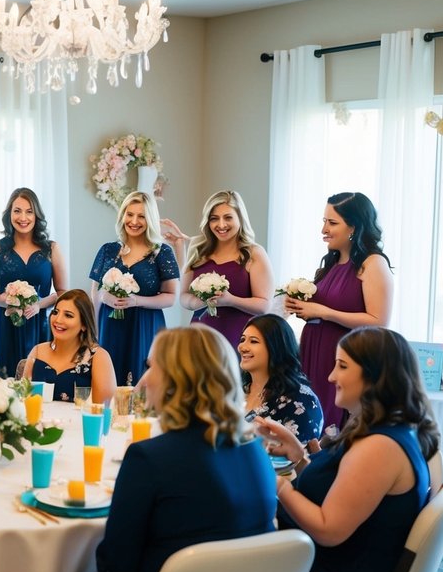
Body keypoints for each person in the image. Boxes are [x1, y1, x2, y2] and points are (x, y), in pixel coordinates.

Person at [51, 325, 276, 572]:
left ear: (175, 381)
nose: (143, 379)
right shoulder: (255, 452)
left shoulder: (150, 458)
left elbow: (115, 568)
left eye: (151, 367)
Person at [259, 327, 436, 572]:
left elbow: (329, 529)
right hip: (345, 566)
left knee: (224, 562)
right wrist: (298, 456)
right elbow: (342, 492)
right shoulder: (387, 428)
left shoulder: (379, 447)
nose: (330, 377)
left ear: (375, 376)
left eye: (342, 366)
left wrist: (275, 483)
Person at [285, 191, 393, 429]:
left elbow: (379, 321)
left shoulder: (372, 263)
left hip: (342, 357)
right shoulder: (332, 264)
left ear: (354, 227)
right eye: (324, 221)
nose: (324, 229)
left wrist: (323, 312)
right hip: (314, 353)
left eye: (332, 223)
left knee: (333, 426)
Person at [88, 191, 179, 387]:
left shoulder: (162, 252)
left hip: (145, 326)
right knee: (107, 383)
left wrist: (137, 301)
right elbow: (95, 293)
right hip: (109, 326)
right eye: (130, 214)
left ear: (150, 219)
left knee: (140, 387)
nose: (134, 221)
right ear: (122, 216)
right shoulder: (107, 250)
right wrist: (93, 334)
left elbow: (171, 297)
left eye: (142, 216)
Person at [166, 190, 274, 349]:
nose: (221, 225)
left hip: (239, 339)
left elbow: (264, 305)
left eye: (228, 217)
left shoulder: (254, 253)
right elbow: (183, 296)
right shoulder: (198, 250)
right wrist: (197, 302)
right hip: (200, 338)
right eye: (214, 219)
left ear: (240, 218)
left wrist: (230, 300)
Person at [0, 187, 68, 377]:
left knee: (36, 381)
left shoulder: (51, 249)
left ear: (36, 215)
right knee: (2, 383)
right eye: (17, 211)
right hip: (3, 325)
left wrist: (38, 305)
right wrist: (4, 300)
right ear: (9, 214)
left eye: (29, 211)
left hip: (38, 325)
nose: (23, 217)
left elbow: (63, 293)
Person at [239, 314, 324, 444]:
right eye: (242, 339)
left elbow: (300, 457)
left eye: (253, 341)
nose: (243, 347)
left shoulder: (300, 400)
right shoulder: (238, 389)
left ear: (276, 347)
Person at [22, 289, 116, 405]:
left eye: (68, 315)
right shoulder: (37, 351)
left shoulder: (98, 357)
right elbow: (23, 400)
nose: (58, 319)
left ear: (84, 325)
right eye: (55, 312)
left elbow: (104, 410)